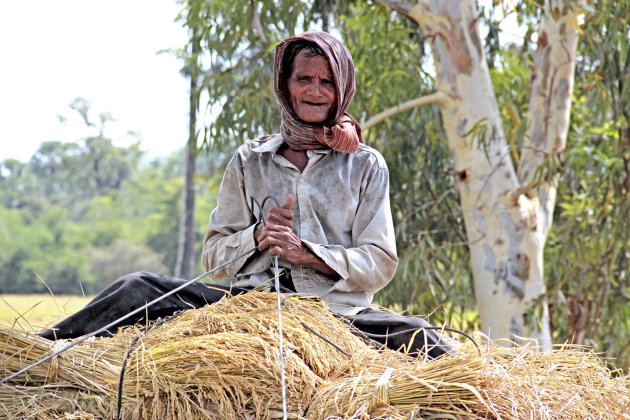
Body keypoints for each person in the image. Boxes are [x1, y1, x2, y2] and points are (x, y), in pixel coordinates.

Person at [39, 31, 452, 359]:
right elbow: (213, 259)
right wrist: (256, 237)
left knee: (417, 334)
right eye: (304, 79)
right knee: (138, 287)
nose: (316, 91)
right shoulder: (249, 159)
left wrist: (305, 253)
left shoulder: (366, 164)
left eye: (327, 82)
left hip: (339, 314)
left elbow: (379, 264)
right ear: (285, 86)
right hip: (247, 303)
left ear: (341, 89)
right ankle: (31, 352)